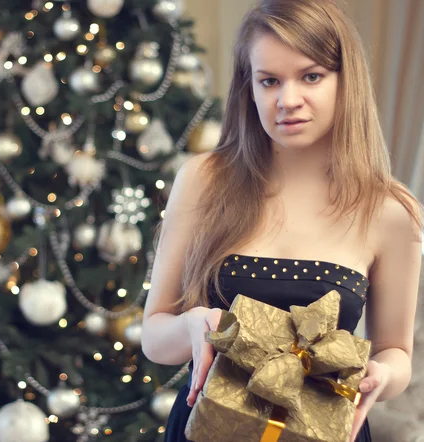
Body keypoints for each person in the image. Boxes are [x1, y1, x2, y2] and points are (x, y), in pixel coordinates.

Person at [140, 1, 422, 441]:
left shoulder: (390, 210)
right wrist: (192, 324)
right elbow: (154, 338)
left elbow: (397, 351)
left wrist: (382, 374)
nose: (287, 100)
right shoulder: (203, 181)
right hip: (210, 429)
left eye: (311, 76)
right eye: (269, 81)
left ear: (346, 81)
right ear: (248, 88)